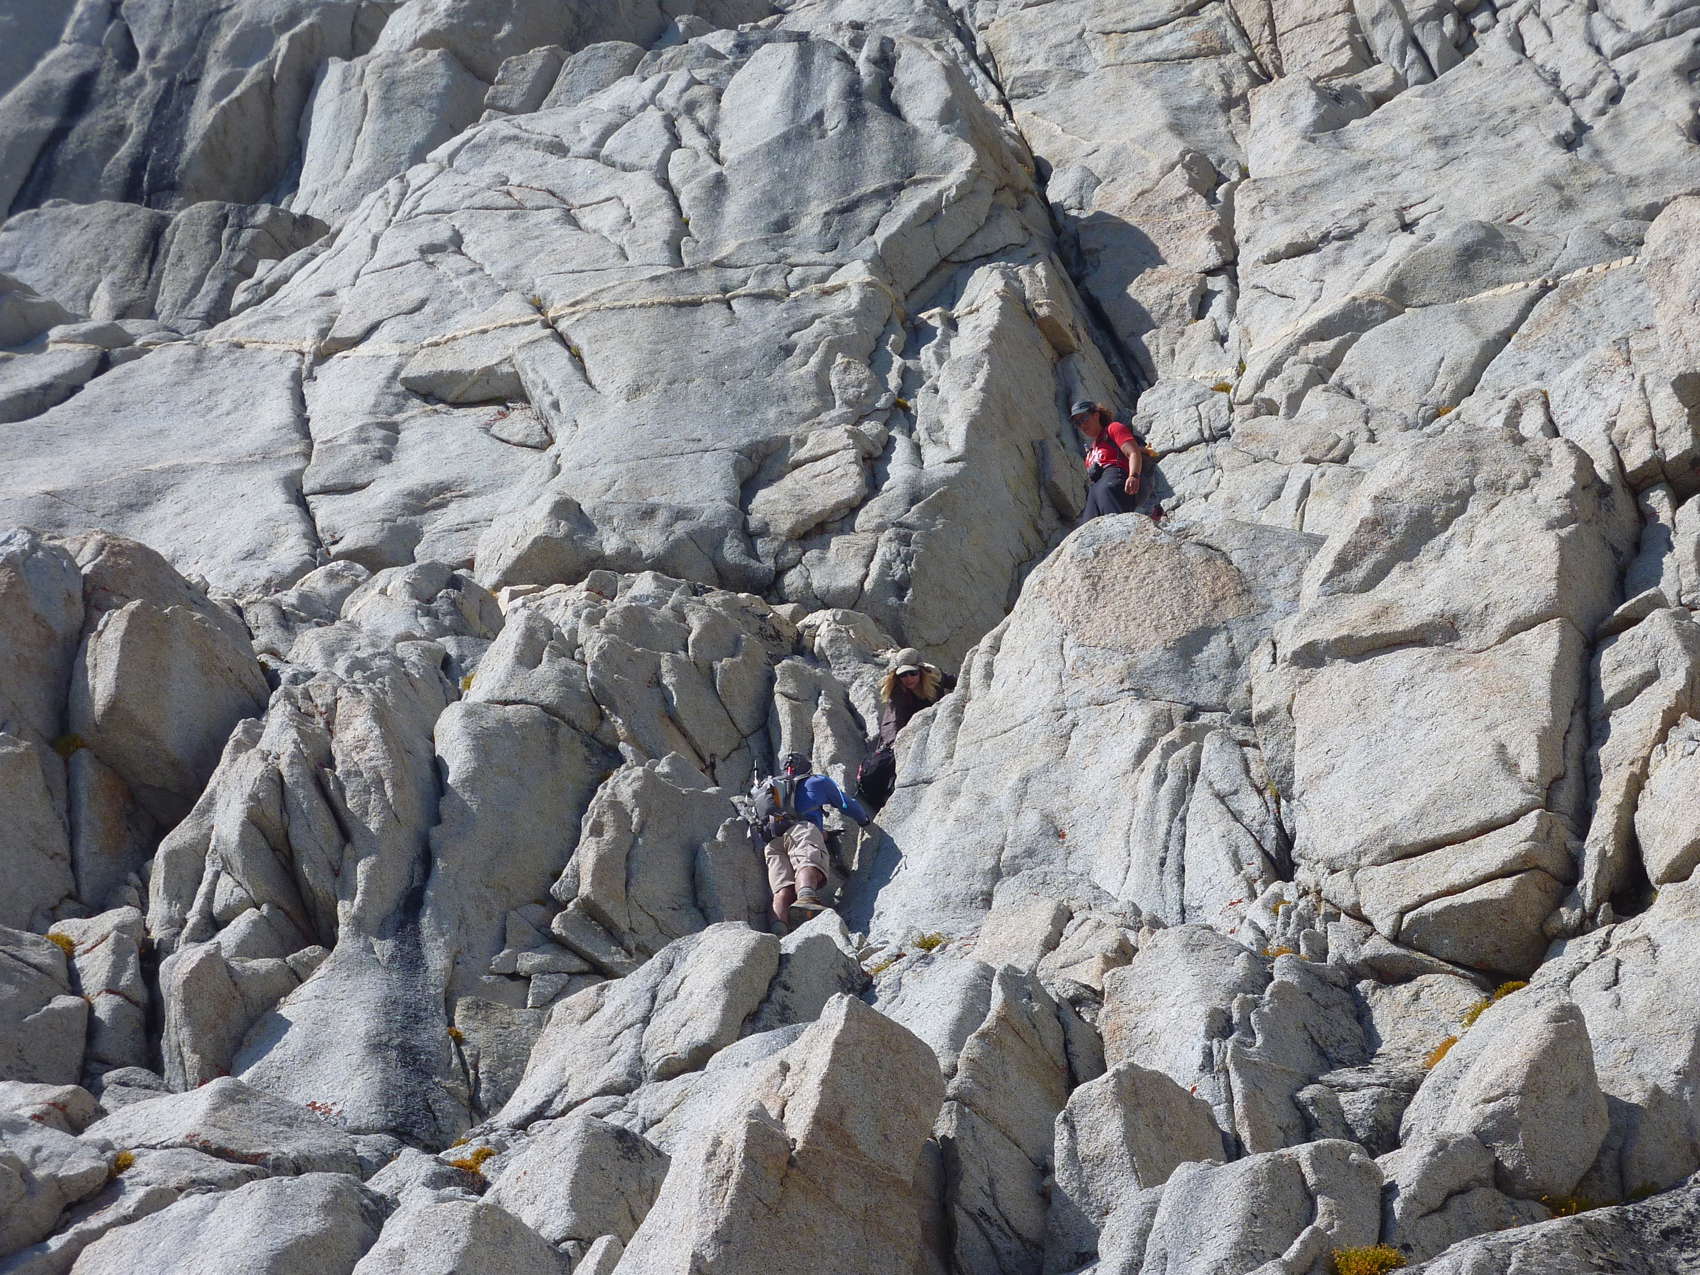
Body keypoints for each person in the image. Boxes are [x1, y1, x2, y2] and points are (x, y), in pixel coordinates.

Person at [752, 752, 871, 926]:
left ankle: (779, 930)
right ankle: (806, 899)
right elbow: (846, 804)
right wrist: (864, 820)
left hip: (773, 843)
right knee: (806, 864)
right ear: (807, 768)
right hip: (801, 831)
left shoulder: (771, 790)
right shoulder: (817, 781)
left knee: (782, 889)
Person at [856, 648, 956, 811]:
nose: (908, 678)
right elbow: (892, 722)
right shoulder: (898, 693)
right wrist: (896, 744)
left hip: (938, 724)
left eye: (912, 673)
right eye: (903, 675)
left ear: (921, 670)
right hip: (910, 735)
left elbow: (957, 682)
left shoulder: (934, 678)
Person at [1070, 399, 1155, 523]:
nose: (1082, 425)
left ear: (1096, 415)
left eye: (1084, 418)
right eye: (1078, 423)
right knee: (1089, 522)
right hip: (1096, 489)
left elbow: (1133, 452)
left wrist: (1133, 476)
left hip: (1116, 479)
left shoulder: (1113, 429)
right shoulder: (1091, 451)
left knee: (1109, 503)